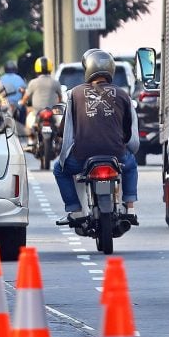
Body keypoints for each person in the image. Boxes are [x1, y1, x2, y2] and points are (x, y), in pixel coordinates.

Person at [54, 49, 139, 222]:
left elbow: (65, 127)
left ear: (88, 69)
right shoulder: (123, 94)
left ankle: (75, 209)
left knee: (59, 169)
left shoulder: (75, 94)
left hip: (82, 155)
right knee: (131, 165)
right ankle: (129, 207)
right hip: (116, 153)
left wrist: (59, 136)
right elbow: (129, 129)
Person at [19, 56, 63, 150]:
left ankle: (31, 142)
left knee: (29, 122)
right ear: (50, 68)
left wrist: (21, 102)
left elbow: (26, 97)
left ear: (37, 68)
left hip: (37, 113)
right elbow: (60, 98)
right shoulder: (55, 82)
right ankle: (59, 141)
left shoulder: (33, 83)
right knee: (60, 124)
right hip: (52, 112)